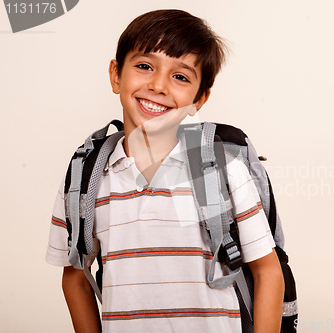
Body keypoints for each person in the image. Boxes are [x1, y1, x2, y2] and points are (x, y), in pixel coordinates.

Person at [46, 9, 284, 333]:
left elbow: (268, 271)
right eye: (145, 66)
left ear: (199, 98)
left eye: (181, 76)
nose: (158, 85)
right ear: (116, 74)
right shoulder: (86, 179)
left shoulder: (222, 171)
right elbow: (75, 277)